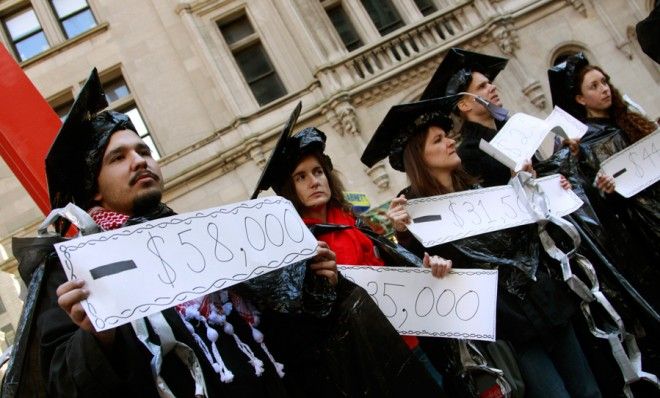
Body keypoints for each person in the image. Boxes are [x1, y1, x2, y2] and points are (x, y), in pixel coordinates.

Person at [362, 96, 602, 398]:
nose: (450, 142)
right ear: (419, 158)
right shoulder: (413, 217)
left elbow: (527, 238)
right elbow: (417, 278)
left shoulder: (481, 189)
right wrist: (404, 236)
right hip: (508, 329)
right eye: (439, 140)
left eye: (447, 136)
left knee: (590, 392)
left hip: (546, 304)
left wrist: (541, 190)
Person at [252, 124, 451, 390]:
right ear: (290, 189)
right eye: (300, 177)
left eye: (318, 171)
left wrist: (420, 266)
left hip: (411, 338)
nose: (314, 181)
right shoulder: (297, 247)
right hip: (369, 360)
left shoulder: (353, 220)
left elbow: (389, 268)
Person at [548, 52, 660, 312]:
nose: (604, 89)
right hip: (640, 230)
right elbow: (592, 199)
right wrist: (603, 189)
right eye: (594, 86)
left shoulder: (630, 119)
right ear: (580, 99)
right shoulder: (584, 142)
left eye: (604, 82)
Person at [419, 47, 539, 188]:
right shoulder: (468, 156)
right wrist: (517, 183)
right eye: (482, 86)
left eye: (489, 83)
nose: (492, 87)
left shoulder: (514, 131)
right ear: (464, 105)